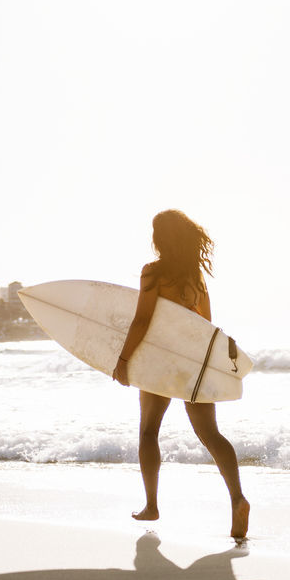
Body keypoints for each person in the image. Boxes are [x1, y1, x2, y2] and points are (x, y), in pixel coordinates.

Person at [112, 209, 250, 539]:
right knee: (211, 435)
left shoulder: (153, 274)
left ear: (160, 238)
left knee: (148, 432)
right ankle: (237, 498)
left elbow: (142, 321)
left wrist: (123, 360)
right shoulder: (196, 280)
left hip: (160, 363)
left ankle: (151, 505)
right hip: (192, 365)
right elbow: (205, 329)